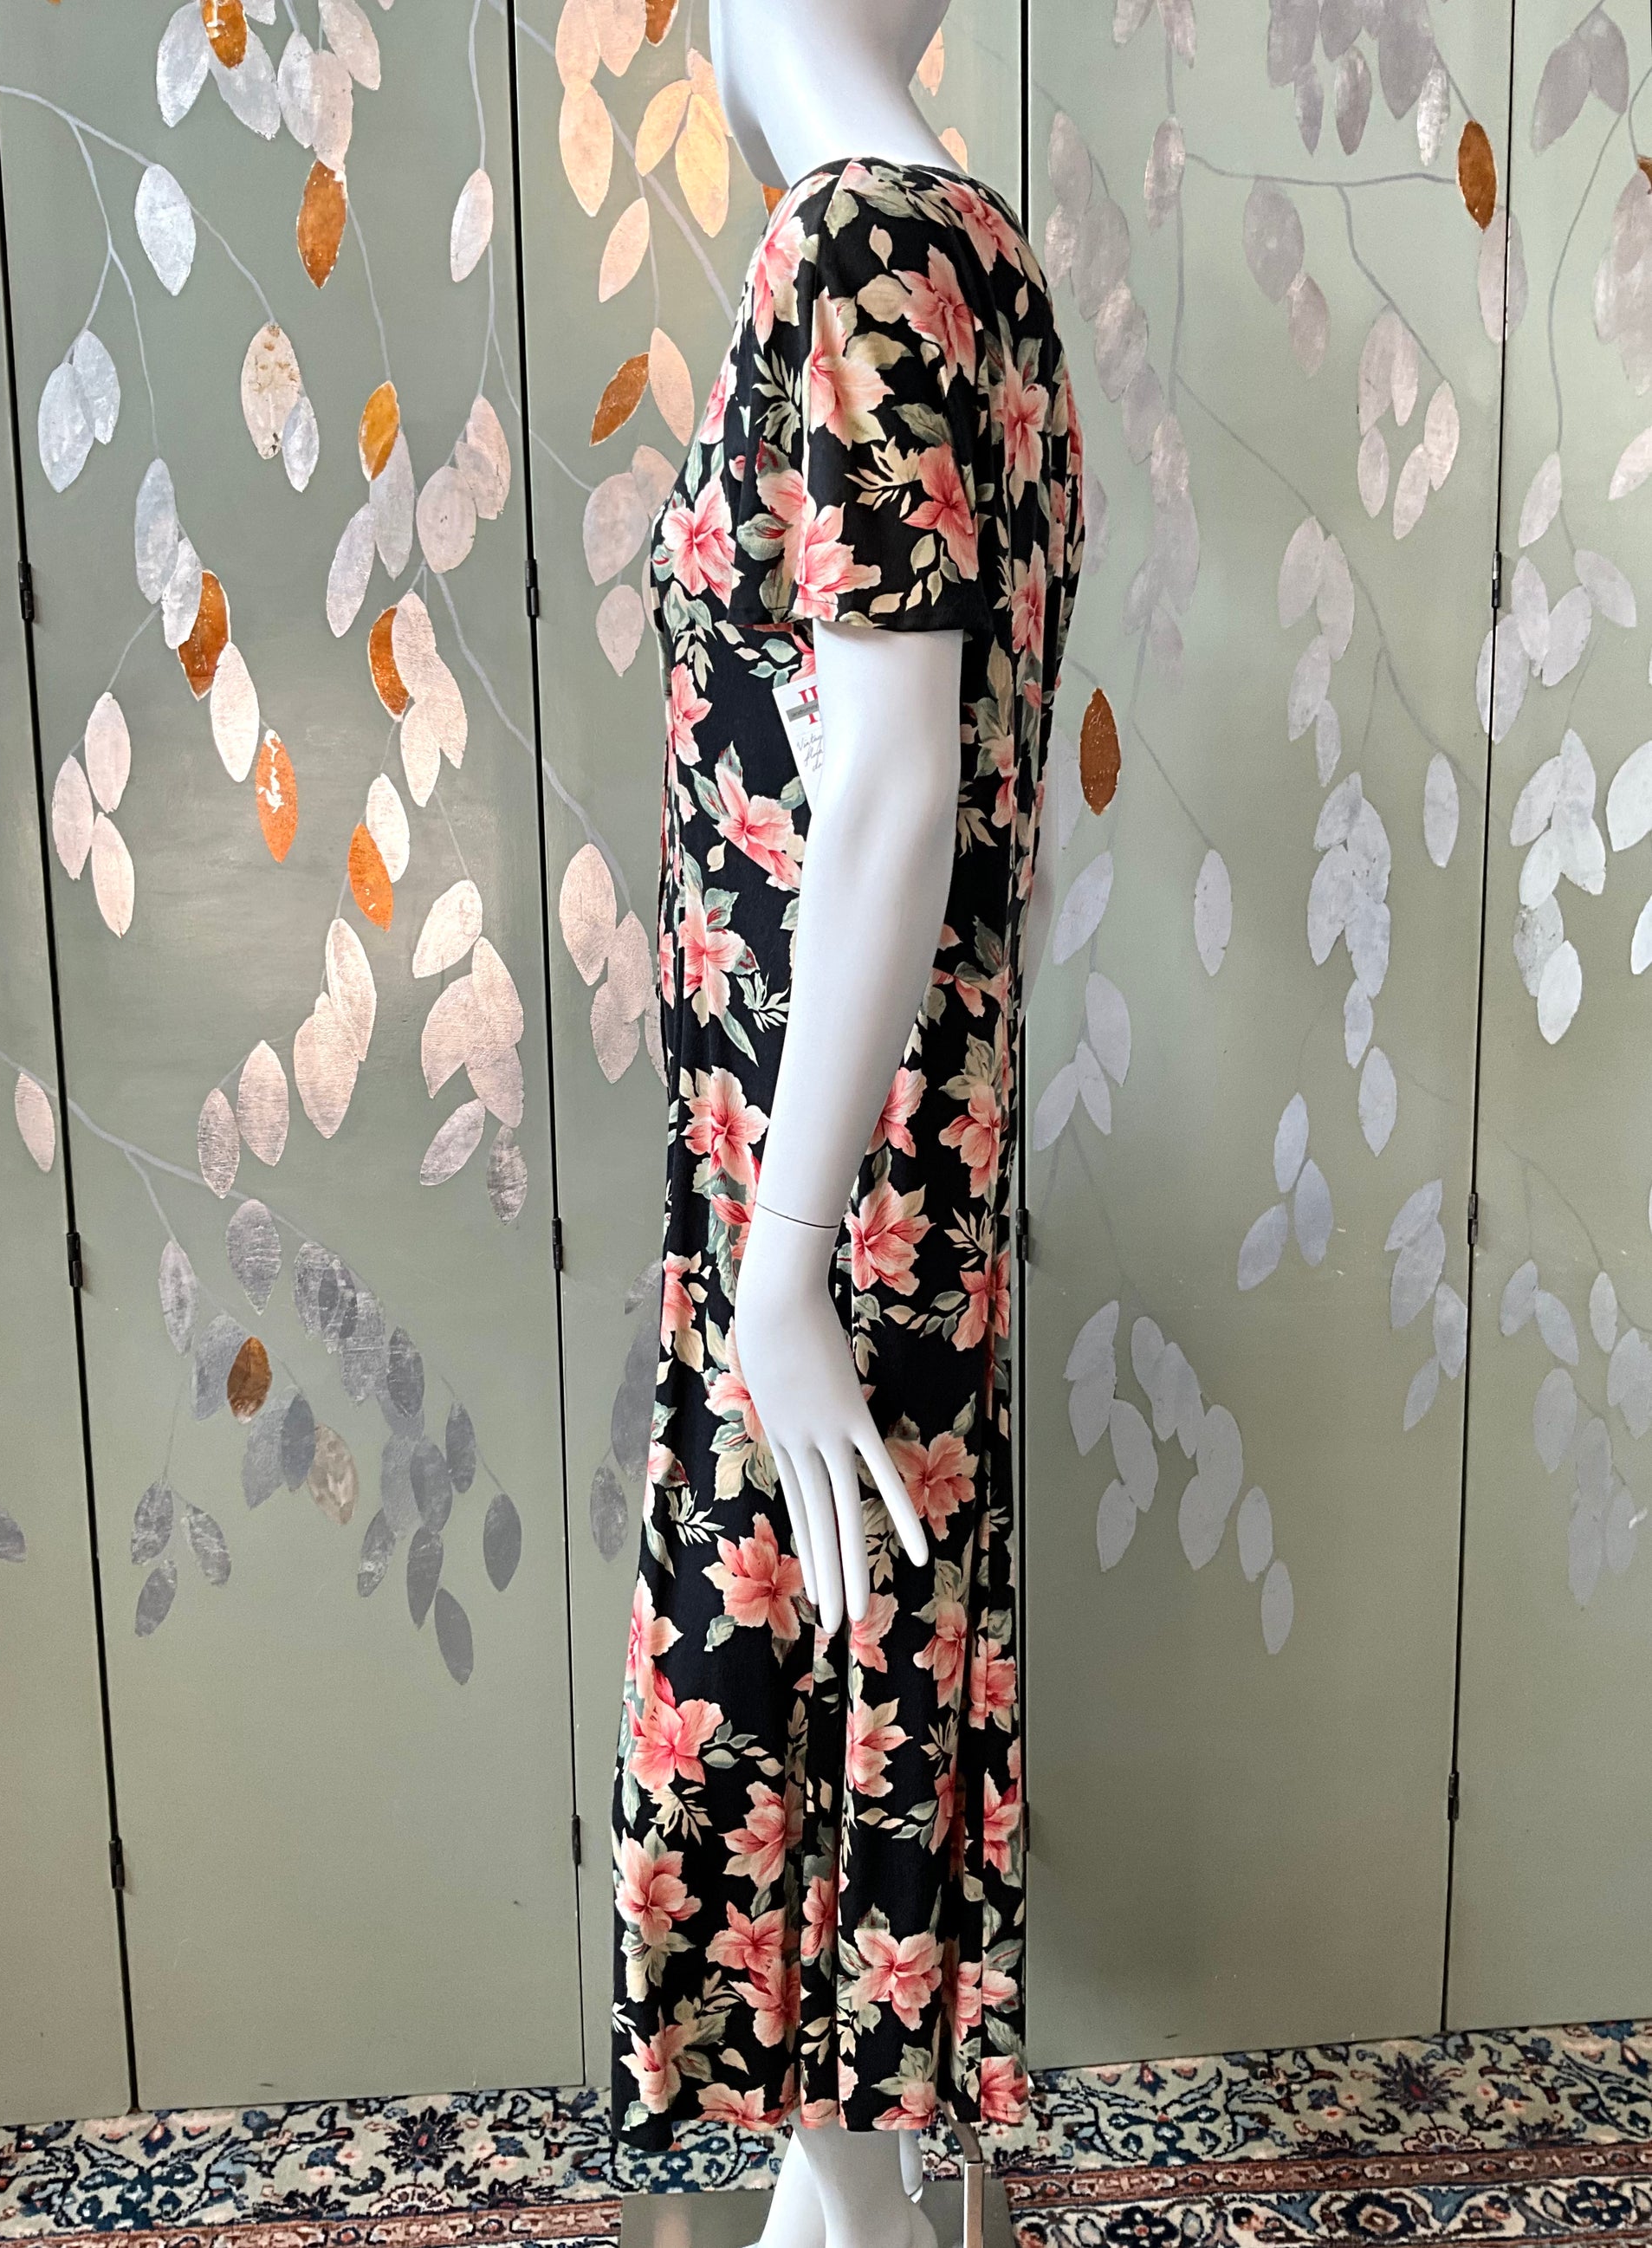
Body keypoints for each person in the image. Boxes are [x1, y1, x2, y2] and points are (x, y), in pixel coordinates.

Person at [611, 5, 1085, 2243]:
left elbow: (899, 783)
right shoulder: (977, 256)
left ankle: (858, 2199)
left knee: (814, 1757)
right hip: (893, 1165)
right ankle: (863, 2193)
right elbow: (878, 745)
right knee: (852, 1797)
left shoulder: (856, 261)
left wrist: (778, 1260)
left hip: (839, 1201)